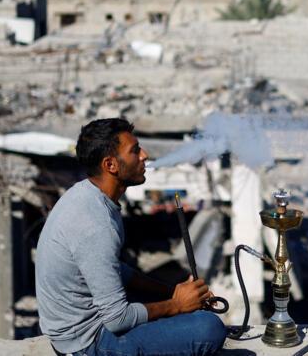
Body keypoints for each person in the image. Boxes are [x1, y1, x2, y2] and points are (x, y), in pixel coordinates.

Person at [36, 118, 226, 356]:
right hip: (86, 342)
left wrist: (173, 292)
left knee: (183, 310)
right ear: (111, 165)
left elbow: (116, 270)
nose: (144, 155)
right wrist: (177, 305)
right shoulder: (96, 224)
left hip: (84, 325)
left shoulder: (88, 195)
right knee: (208, 328)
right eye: (135, 151)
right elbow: (117, 319)